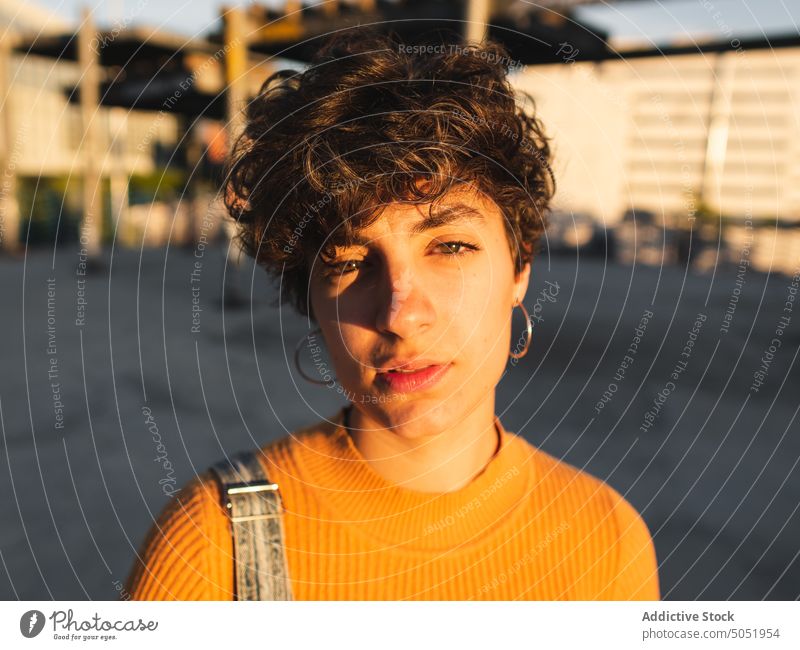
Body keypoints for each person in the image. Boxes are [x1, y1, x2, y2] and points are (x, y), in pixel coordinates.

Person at [124, 28, 659, 601]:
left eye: (450, 247)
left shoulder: (606, 537)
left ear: (520, 264)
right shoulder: (211, 544)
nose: (401, 313)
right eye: (351, 262)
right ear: (310, 298)